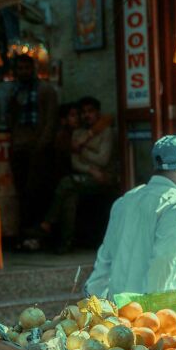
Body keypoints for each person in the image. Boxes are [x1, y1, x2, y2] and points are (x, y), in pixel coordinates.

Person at [85, 135, 176, 299]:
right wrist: (151, 313)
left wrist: (94, 300)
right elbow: (164, 262)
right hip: (155, 317)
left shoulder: (125, 200)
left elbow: (104, 260)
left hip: (118, 312)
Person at [41, 96, 116, 254]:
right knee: (70, 196)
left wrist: (82, 147)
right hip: (87, 178)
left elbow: (103, 160)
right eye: (83, 112)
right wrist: (90, 169)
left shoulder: (105, 131)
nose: (86, 115)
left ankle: (48, 222)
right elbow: (76, 163)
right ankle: (66, 242)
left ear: (97, 113)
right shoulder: (77, 133)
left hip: (104, 179)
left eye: (90, 111)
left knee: (67, 184)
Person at [6, 53, 58, 241]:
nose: (23, 72)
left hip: (39, 149)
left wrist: (41, 145)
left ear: (34, 69)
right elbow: (11, 119)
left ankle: (38, 235)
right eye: (20, 69)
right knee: (22, 193)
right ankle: (26, 233)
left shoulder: (45, 90)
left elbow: (51, 122)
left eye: (27, 68)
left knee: (37, 192)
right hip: (20, 147)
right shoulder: (15, 91)